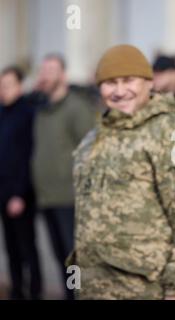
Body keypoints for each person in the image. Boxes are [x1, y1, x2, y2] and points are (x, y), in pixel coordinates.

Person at [70, 44, 175, 299]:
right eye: (110, 82)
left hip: (149, 289)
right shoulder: (94, 138)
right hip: (93, 287)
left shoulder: (173, 134)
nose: (120, 91)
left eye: (128, 80)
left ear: (149, 83)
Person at [31, 53, 96, 299]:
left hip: (70, 199)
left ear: (63, 75)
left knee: (74, 259)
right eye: (42, 70)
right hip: (47, 197)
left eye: (51, 70)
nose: (45, 75)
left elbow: (90, 151)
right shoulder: (42, 108)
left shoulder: (77, 108)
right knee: (60, 257)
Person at [0, 66, 42, 299]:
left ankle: (34, 291)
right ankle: (17, 291)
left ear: (19, 86)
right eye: (1, 86)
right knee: (11, 249)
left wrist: (19, 193)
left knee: (28, 247)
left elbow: (28, 156)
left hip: (21, 194)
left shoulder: (28, 114)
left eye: (7, 85)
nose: (3, 90)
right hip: (3, 192)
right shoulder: (2, 112)